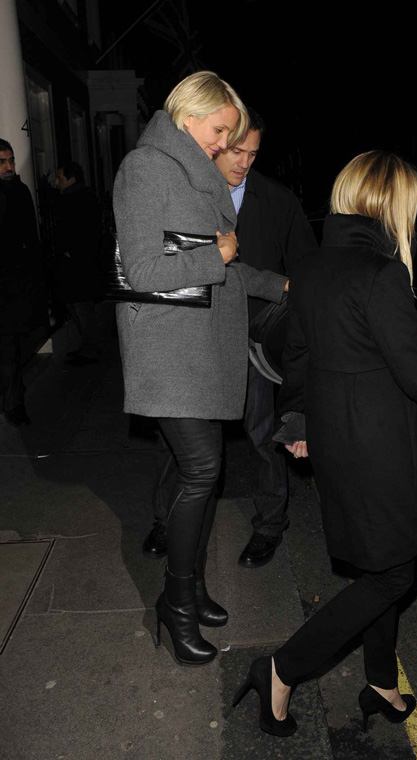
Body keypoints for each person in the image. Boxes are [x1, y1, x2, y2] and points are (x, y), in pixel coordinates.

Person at [229, 151, 417, 736]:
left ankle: (381, 683)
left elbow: (299, 359)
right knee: (391, 574)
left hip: (340, 438)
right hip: (378, 446)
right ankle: (280, 668)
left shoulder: (312, 266)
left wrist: (298, 424)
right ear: (391, 203)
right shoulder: (383, 273)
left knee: (391, 560)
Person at [113, 71, 288, 665]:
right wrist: (216, 253)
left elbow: (227, 269)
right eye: (219, 132)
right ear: (189, 116)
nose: (223, 145)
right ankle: (174, 603)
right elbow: (143, 271)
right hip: (169, 352)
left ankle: (193, 588)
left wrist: (285, 285)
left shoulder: (186, 169)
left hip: (200, 350)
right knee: (201, 469)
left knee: (205, 475)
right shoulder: (146, 168)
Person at [143, 109, 317, 569]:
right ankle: (167, 519)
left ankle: (268, 526)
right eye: (236, 150)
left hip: (254, 336)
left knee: (263, 434)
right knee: (179, 440)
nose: (243, 161)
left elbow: (303, 264)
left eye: (253, 153)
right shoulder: (182, 192)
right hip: (194, 331)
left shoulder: (277, 200)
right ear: (216, 145)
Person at [0, 139, 45, 426]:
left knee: (9, 349)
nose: (9, 167)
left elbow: (30, 236)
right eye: (3, 162)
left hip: (13, 286)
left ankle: (13, 402)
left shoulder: (20, 191)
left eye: (11, 161)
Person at [54, 160, 102, 365]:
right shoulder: (83, 197)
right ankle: (88, 346)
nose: (56, 182)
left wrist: (70, 251)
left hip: (78, 265)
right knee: (78, 306)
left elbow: (81, 232)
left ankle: (90, 349)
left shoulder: (75, 199)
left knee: (81, 307)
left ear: (71, 179)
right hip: (80, 264)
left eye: (60, 178)